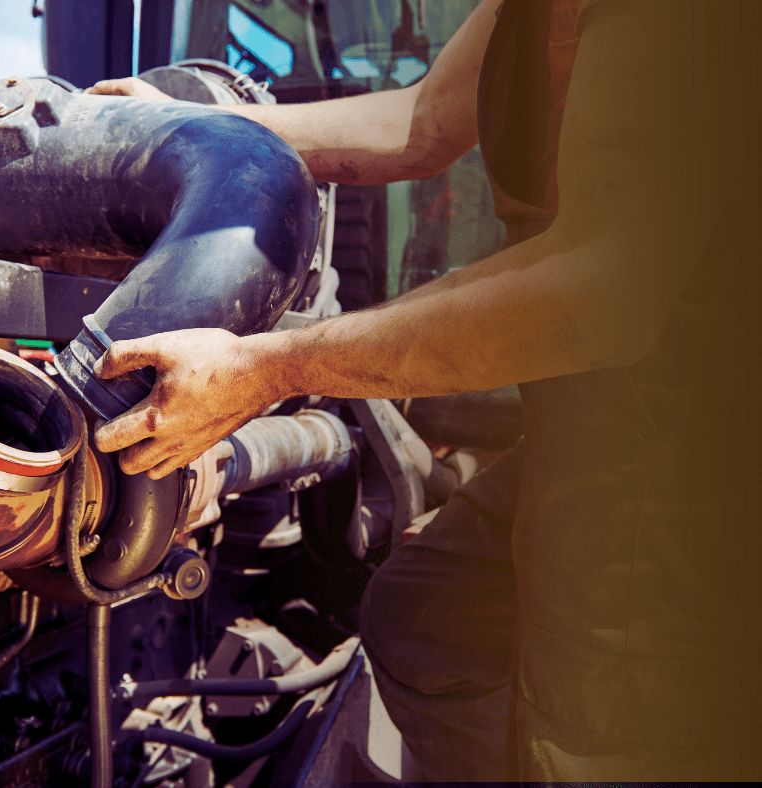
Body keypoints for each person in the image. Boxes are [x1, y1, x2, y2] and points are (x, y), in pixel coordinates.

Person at [87, 0, 758, 780]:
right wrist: (187, 126)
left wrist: (270, 368)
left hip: (679, 464)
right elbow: (424, 122)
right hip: (591, 423)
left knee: (594, 730)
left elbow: (598, 289)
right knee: (424, 619)